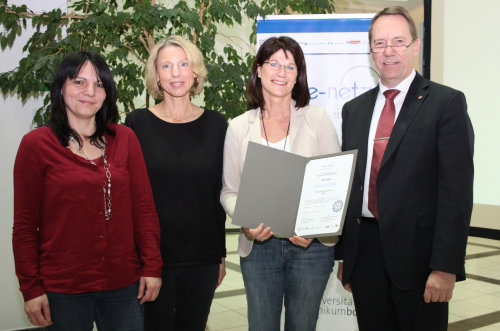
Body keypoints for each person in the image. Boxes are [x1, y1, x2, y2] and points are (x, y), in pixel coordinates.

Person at [336, 6, 474, 331]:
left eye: (398, 41)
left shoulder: (445, 103)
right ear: (370, 51)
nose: (389, 51)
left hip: (420, 260)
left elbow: (456, 193)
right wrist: (347, 257)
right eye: (380, 43)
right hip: (365, 255)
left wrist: (445, 268)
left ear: (415, 45)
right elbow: (351, 186)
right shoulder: (353, 110)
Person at [12, 51, 162, 330]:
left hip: (122, 284)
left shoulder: (124, 139)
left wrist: (152, 267)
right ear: (61, 88)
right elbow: (24, 226)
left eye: (99, 84)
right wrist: (31, 288)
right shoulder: (36, 145)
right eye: (79, 82)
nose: (89, 92)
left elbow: (143, 209)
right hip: (63, 287)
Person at [220, 36, 341, 331]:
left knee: (303, 326)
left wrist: (315, 229)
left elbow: (334, 185)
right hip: (259, 247)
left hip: (309, 248)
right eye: (274, 63)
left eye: (290, 66)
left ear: (298, 76)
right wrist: (247, 222)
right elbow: (229, 191)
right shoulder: (238, 127)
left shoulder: (317, 119)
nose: (281, 72)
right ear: (259, 69)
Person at [125, 35, 227, 331]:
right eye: (166, 66)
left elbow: (218, 195)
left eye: (183, 64)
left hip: (202, 256)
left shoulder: (217, 124)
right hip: (153, 258)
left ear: (195, 71)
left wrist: (220, 254)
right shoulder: (137, 123)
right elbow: (131, 196)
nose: (175, 73)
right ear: (156, 75)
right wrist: (141, 259)